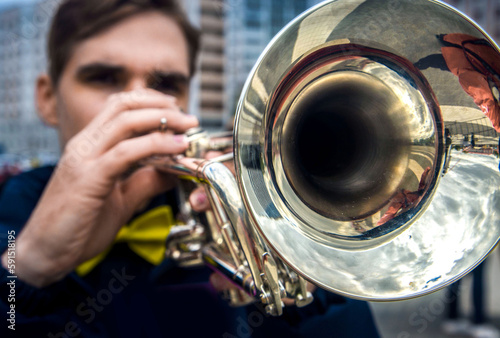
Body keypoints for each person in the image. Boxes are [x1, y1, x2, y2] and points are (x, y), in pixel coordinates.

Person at [0, 0, 380, 337]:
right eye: (104, 78)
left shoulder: (223, 213)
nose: (141, 105)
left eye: (166, 84)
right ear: (48, 99)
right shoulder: (13, 225)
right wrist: (26, 267)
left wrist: (308, 282)